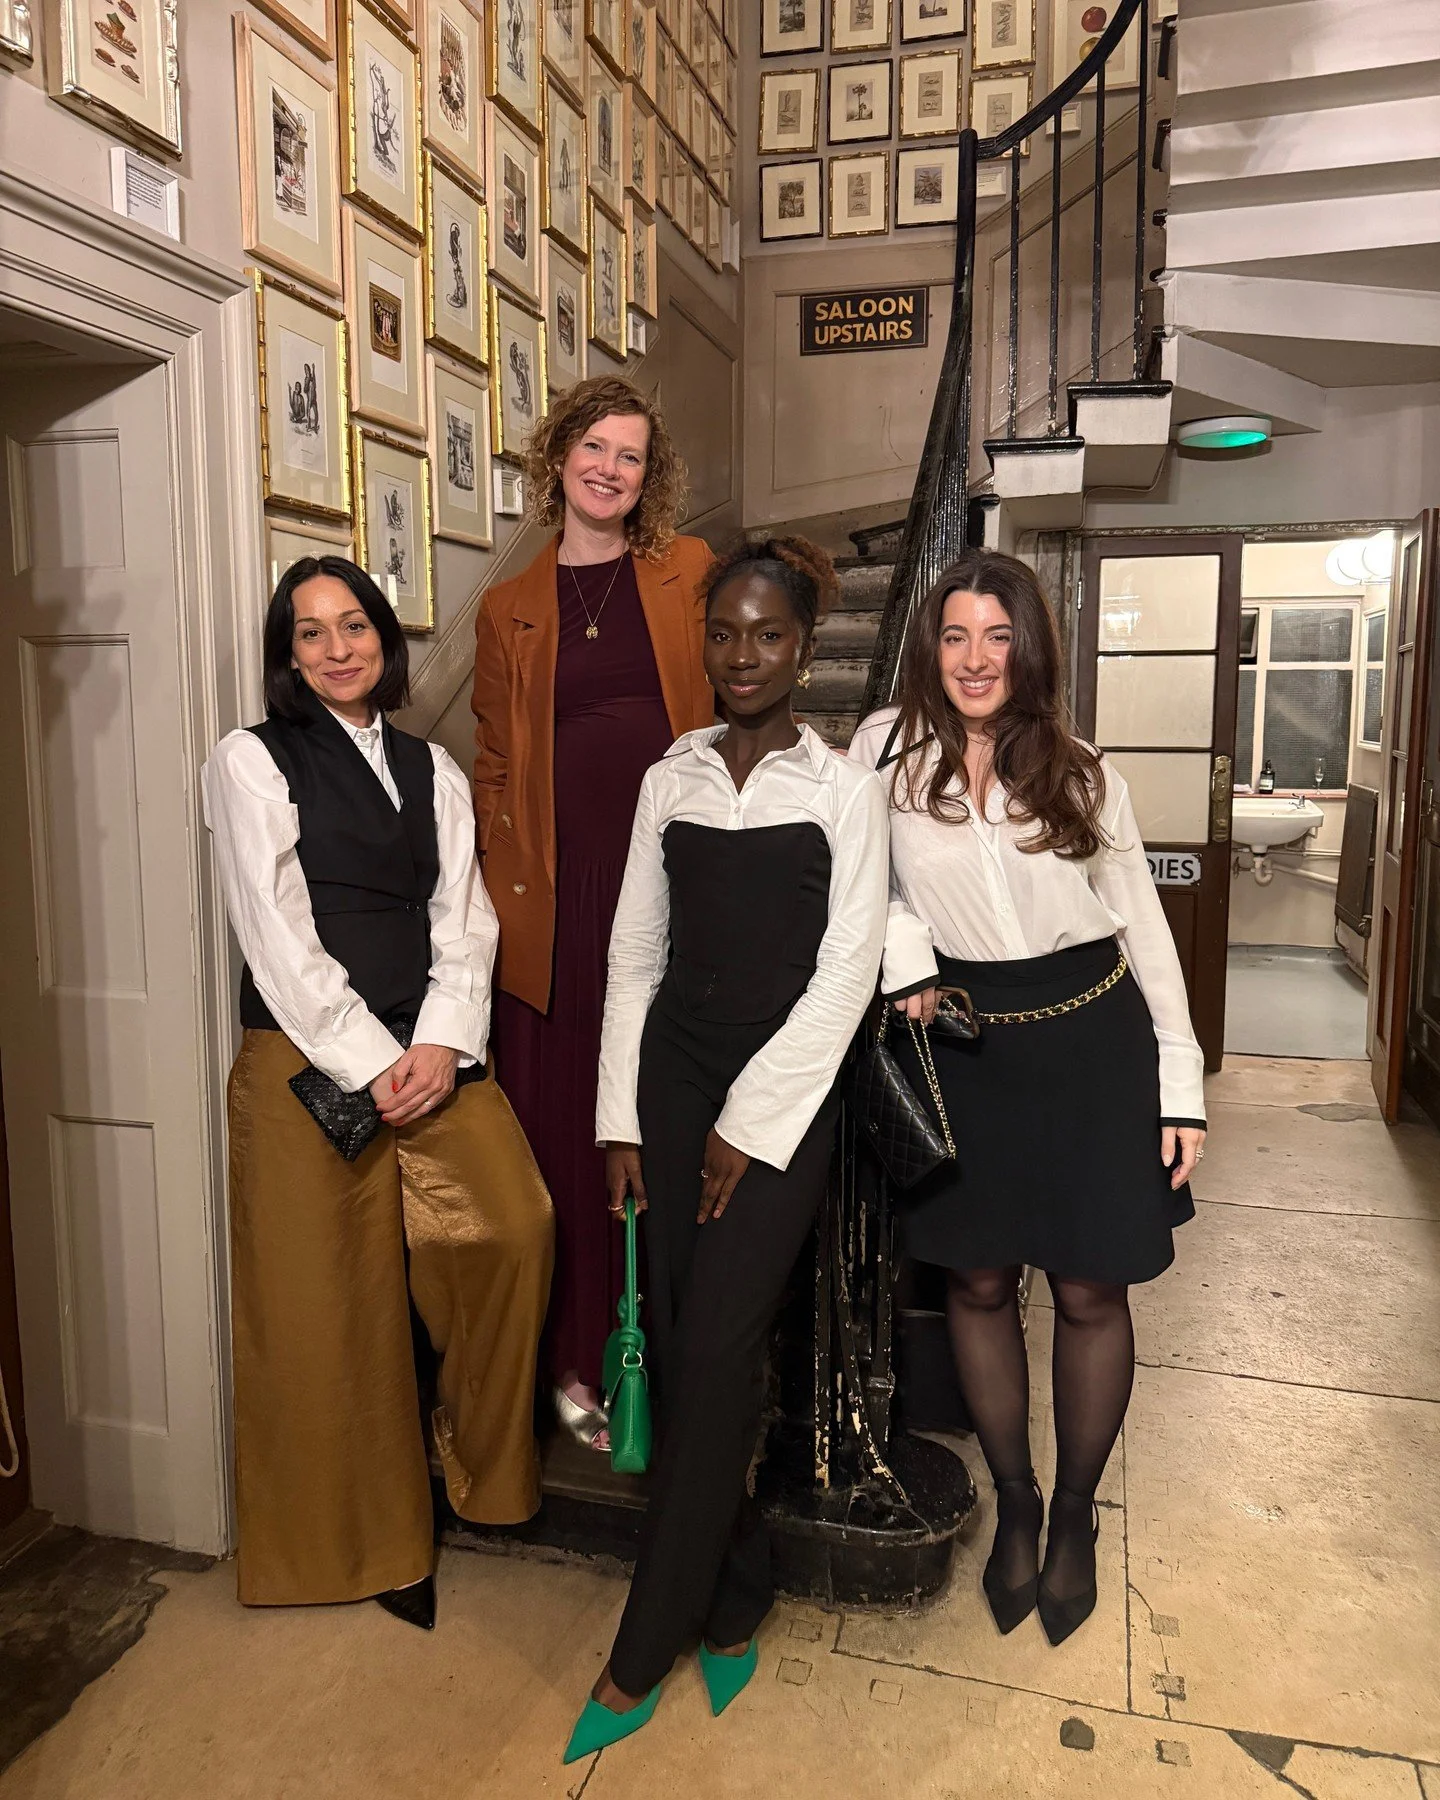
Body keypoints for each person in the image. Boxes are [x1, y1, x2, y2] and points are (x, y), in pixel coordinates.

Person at [565, 538, 889, 1761]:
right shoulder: (673, 776)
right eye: (724, 634)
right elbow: (633, 956)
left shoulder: (843, 788)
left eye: (768, 635)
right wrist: (621, 1119)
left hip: (786, 1099)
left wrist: (746, 1130)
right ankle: (739, 1586)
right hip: (671, 1079)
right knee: (686, 1347)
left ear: (804, 648)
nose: (742, 656)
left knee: (715, 1349)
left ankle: (643, 1645)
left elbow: (846, 974)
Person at [848, 549, 1207, 1648]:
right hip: (964, 1046)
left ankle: (1076, 1515)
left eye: (997, 637)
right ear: (931, 647)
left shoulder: (1084, 772)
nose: (975, 659)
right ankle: (1015, 1501)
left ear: (1029, 649)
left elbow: (1144, 927)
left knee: (1093, 1290)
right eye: (956, 635)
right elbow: (867, 886)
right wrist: (907, 955)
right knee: (979, 1282)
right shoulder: (884, 754)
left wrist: (1180, 1084)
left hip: (1094, 1043)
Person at [204, 557, 554, 1627]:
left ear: (383, 640)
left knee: (513, 1227)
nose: (337, 648)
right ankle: (365, 1551)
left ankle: (472, 1464)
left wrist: (442, 1043)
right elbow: (274, 934)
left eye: (353, 624)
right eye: (310, 632)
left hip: (430, 1050)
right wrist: (369, 1056)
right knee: (325, 1309)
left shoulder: (430, 766)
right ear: (288, 654)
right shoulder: (249, 761)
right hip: (302, 1062)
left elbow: (464, 916)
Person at [471, 374, 714, 1451]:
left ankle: (657, 1343)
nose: (610, 469)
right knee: (562, 1133)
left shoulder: (686, 571)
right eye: (595, 447)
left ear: (649, 476)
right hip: (559, 904)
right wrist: (504, 884)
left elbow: (738, 698)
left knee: (658, 1121)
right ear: (558, 454)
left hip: (669, 880)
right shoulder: (508, 607)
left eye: (631, 455)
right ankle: (575, 1352)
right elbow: (492, 763)